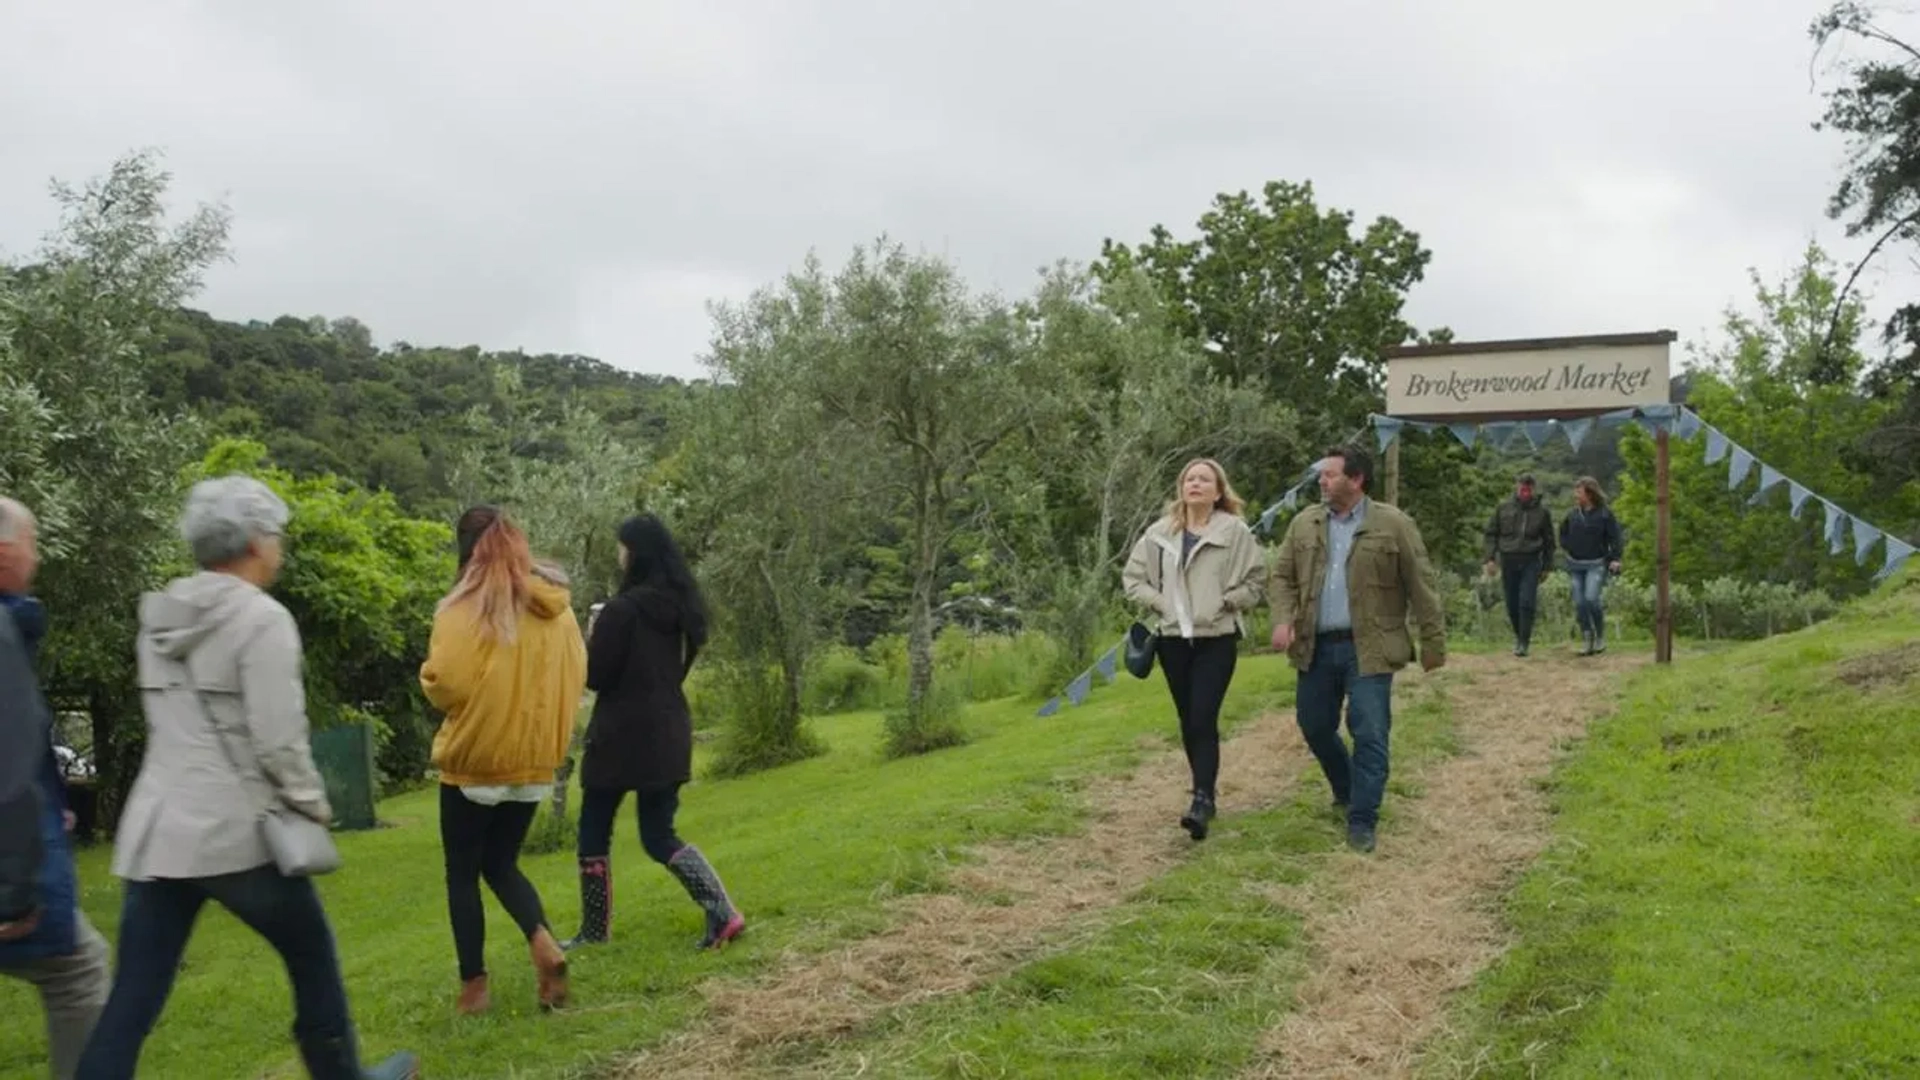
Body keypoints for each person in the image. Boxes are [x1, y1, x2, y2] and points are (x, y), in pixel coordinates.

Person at [75, 477, 417, 1080]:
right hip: (237, 832)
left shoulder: (159, 617)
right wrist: (312, 804)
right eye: (276, 535)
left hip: (160, 833)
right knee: (310, 953)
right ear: (256, 542)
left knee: (134, 995)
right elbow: (277, 739)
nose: (279, 548)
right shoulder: (262, 620)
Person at [421, 506, 585, 1015]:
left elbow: (446, 682)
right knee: (502, 863)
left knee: (462, 874)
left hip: (476, 763)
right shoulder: (558, 609)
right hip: (535, 763)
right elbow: (578, 672)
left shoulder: (464, 607)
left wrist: (430, 679)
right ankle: (544, 943)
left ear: (464, 551)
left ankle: (474, 989)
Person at [561, 514, 745, 952]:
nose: (619, 554)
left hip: (620, 738)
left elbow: (598, 675)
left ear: (635, 553)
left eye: (622, 546)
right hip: (668, 732)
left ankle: (594, 929)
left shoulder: (621, 611)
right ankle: (722, 910)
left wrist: (592, 637)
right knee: (659, 834)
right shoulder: (684, 611)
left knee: (593, 830)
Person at [1267, 445, 1446, 854]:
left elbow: (1422, 584)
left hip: (1371, 647)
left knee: (1369, 732)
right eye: (1322, 475)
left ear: (1357, 479)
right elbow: (1281, 577)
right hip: (1315, 646)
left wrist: (1433, 643)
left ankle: (1363, 819)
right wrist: (1282, 618)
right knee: (1314, 724)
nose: (1321, 481)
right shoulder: (1304, 524)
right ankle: (1347, 788)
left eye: (1329, 475)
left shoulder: (1393, 524)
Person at [0, 498, 111, 1080]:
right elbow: (8, 766)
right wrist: (18, 892)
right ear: (5, 552)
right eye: (33, 544)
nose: (38, 559)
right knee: (79, 973)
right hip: (11, 880)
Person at [1122, 458, 1265, 841]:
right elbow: (1133, 580)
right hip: (1172, 640)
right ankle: (1203, 791)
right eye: (1190, 479)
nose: (1195, 484)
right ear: (1181, 487)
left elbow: (1256, 580)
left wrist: (1227, 600)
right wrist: (1161, 603)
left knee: (1203, 715)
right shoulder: (1158, 533)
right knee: (1189, 719)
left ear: (1219, 491)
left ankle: (1202, 800)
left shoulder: (1234, 532)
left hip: (1216, 638)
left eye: (1204, 479)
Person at [1482, 472, 1556, 657]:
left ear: (1533, 489)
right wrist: (1490, 558)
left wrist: (1547, 566)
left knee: (1526, 601)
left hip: (1531, 560)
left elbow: (1549, 541)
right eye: (1523, 487)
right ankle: (1518, 636)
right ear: (1517, 487)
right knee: (1512, 602)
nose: (1525, 491)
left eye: (1529, 488)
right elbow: (1491, 534)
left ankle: (1524, 642)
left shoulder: (1542, 512)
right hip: (1508, 559)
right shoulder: (1503, 508)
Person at [1559, 476, 1625, 656]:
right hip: (1575, 565)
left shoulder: (1605, 514)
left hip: (1596, 564)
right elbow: (1562, 533)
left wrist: (1615, 558)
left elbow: (1615, 537)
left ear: (1589, 493)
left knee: (1591, 598)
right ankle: (1587, 638)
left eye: (1578, 492)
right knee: (1580, 603)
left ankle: (1600, 636)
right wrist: (1567, 547)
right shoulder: (1572, 515)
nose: (1575, 495)